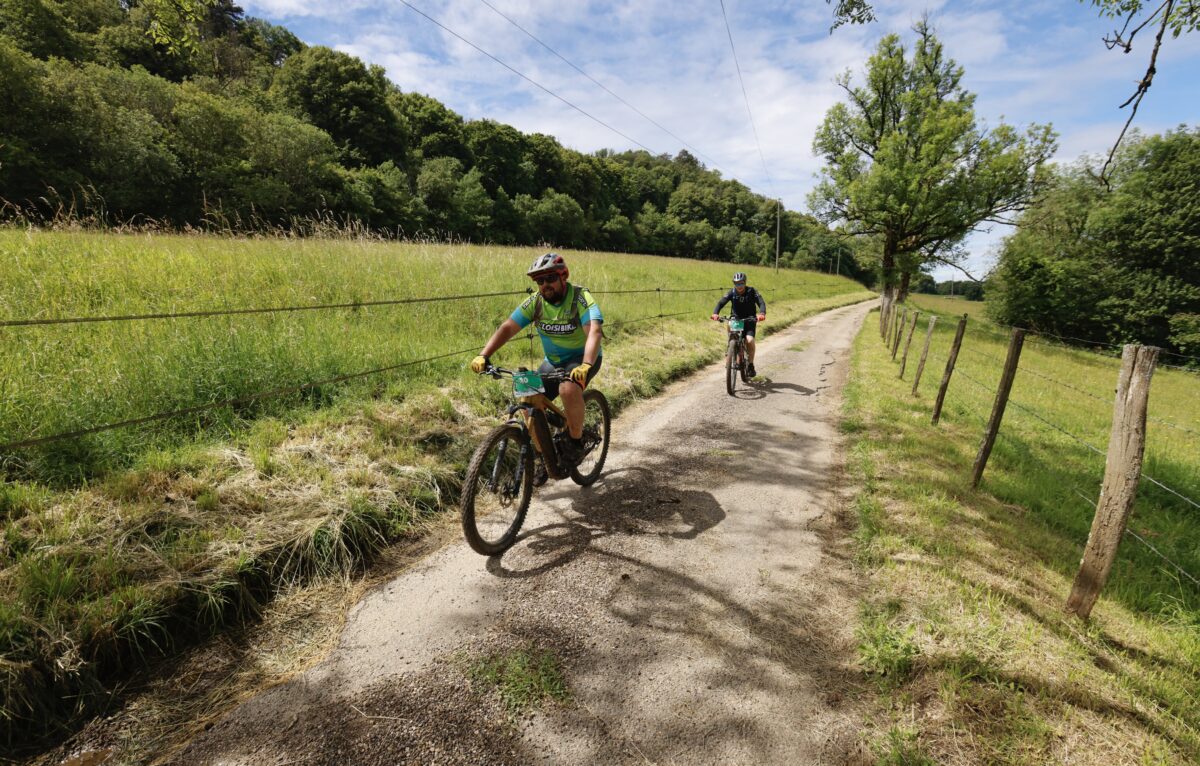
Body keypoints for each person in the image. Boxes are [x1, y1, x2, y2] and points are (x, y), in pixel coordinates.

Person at [471, 253, 603, 466]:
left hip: (584, 357)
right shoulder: (536, 302)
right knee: (526, 396)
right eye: (539, 281)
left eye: (550, 278)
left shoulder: (580, 297)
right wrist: (483, 355)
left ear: (564, 276)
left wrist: (586, 364)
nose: (544, 285)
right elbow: (507, 328)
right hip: (553, 361)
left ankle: (575, 444)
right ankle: (544, 459)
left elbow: (594, 332)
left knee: (568, 390)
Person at [710, 272, 766, 377]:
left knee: (749, 340)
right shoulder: (732, 292)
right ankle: (731, 347)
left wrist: (762, 313)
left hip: (750, 319)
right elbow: (721, 302)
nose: (739, 286)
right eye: (736, 284)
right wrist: (715, 313)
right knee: (729, 323)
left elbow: (761, 302)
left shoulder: (752, 291)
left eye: (741, 283)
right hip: (736, 319)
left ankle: (750, 364)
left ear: (745, 283)